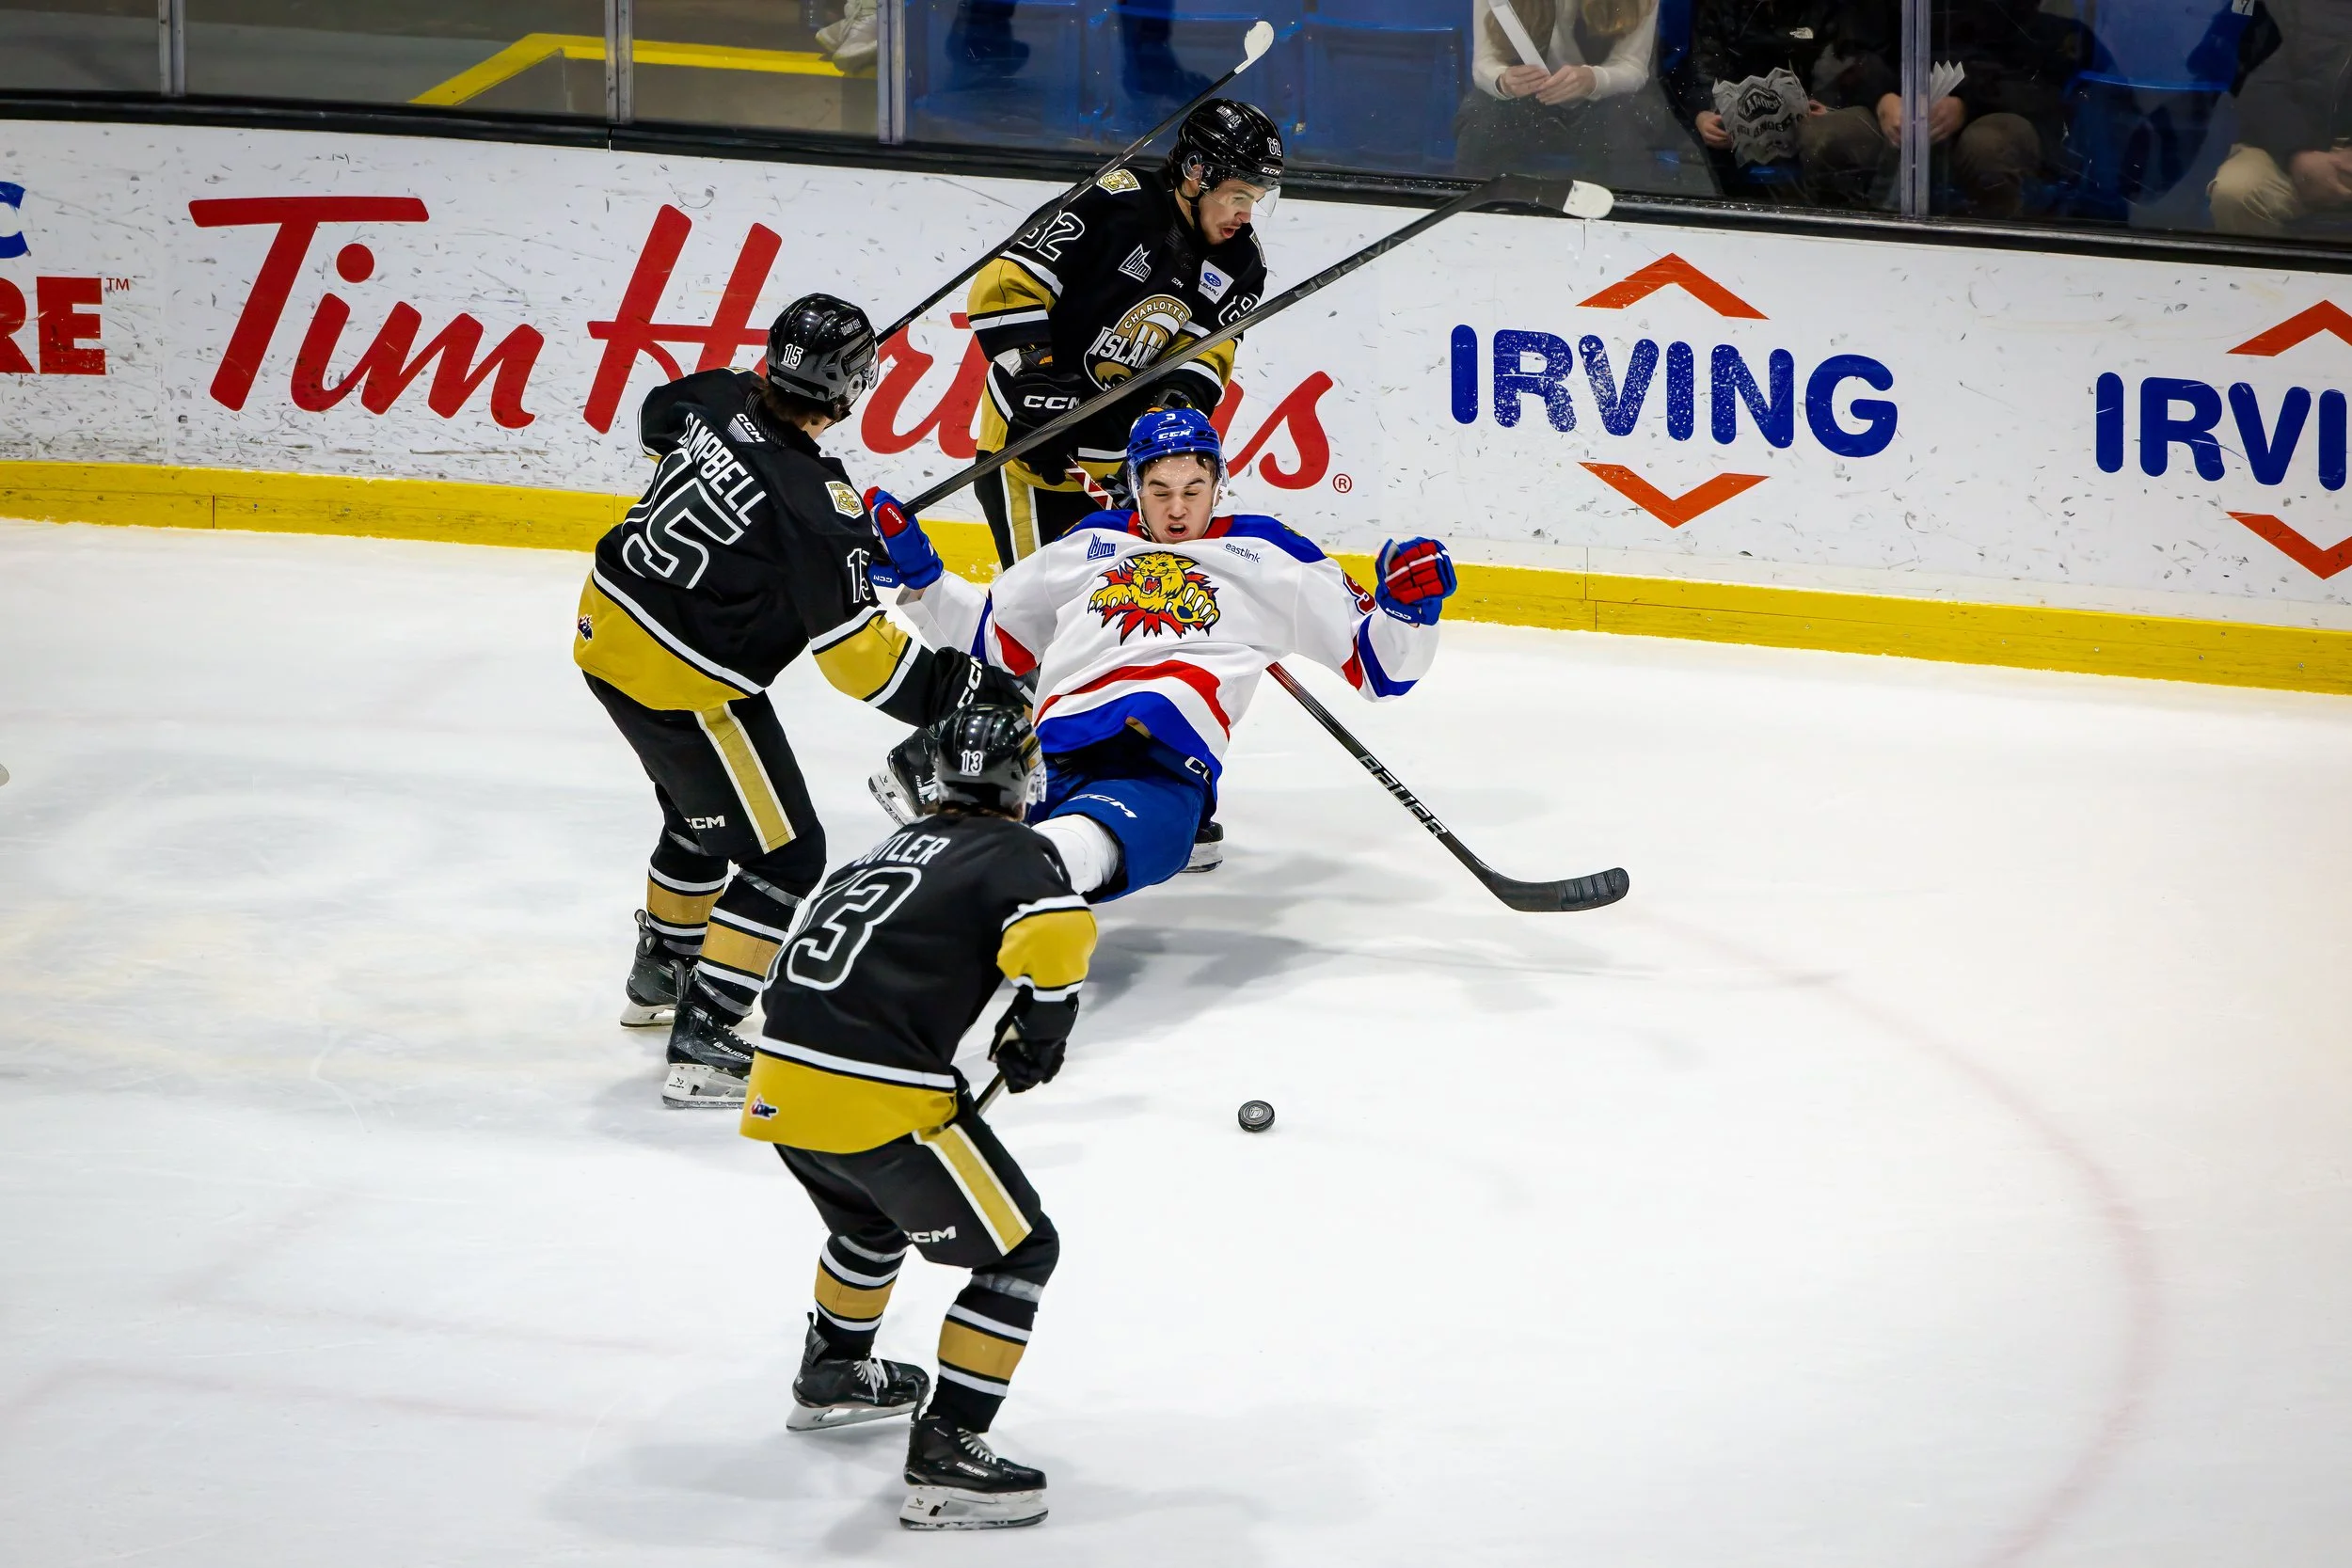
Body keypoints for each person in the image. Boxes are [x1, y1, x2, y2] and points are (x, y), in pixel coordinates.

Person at [575, 294, 1016, 1110]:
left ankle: (666, 966)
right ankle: (707, 1034)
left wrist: (826, 550)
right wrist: (957, 686)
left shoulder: (713, 397)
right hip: (686, 681)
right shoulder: (818, 504)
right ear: (849, 390)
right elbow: (860, 664)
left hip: (607, 636)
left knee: (703, 812)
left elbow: (657, 416)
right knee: (786, 855)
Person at [860, 407, 1459, 905]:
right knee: (939, 850)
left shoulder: (1270, 552)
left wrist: (1409, 610)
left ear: (1218, 484)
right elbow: (993, 637)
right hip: (1042, 755)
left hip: (1158, 764)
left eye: (1194, 491)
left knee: (1055, 862)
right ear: (1135, 487)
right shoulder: (1089, 543)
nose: (1177, 510)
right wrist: (923, 577)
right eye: (1160, 491)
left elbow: (1380, 668)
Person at [739, 705, 1090, 1531]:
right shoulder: (1016, 846)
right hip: (881, 1096)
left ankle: (832, 1373)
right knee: (1022, 1248)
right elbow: (1057, 929)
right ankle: (949, 1452)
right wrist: (1043, 1024)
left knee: (868, 1223)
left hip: (779, 1087)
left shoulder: (882, 849)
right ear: (1022, 783)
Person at [962, 98, 1278, 568]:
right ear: (1196, 172)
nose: (1246, 214)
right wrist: (1034, 378)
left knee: (1118, 615)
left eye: (1256, 199)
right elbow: (1007, 284)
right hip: (1026, 446)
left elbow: (1205, 355)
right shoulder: (1112, 203)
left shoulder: (1242, 265)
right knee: (1036, 617)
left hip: (1117, 461)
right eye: (1237, 196)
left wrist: (1166, 415)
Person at [1456, 0, 1708, 192]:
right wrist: (1503, 81)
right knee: (1482, 115)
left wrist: (1593, 80)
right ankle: (1475, 214)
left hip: (1608, 103)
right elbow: (1485, 63)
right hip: (1529, 101)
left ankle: (1618, 222)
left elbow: (1632, 66)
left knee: (1617, 122)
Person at [1668, 0, 1899, 206]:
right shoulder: (1718, 7)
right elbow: (1700, 69)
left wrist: (1829, 107)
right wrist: (1703, 114)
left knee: (1822, 142)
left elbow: (1845, 65)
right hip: (1729, 141)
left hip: (1805, 135)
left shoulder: (1826, 8)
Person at [2210, 0, 2352, 236]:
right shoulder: (2281, 5)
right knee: (2236, 193)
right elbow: (2258, 83)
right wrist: (2299, 154)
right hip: (2283, 147)